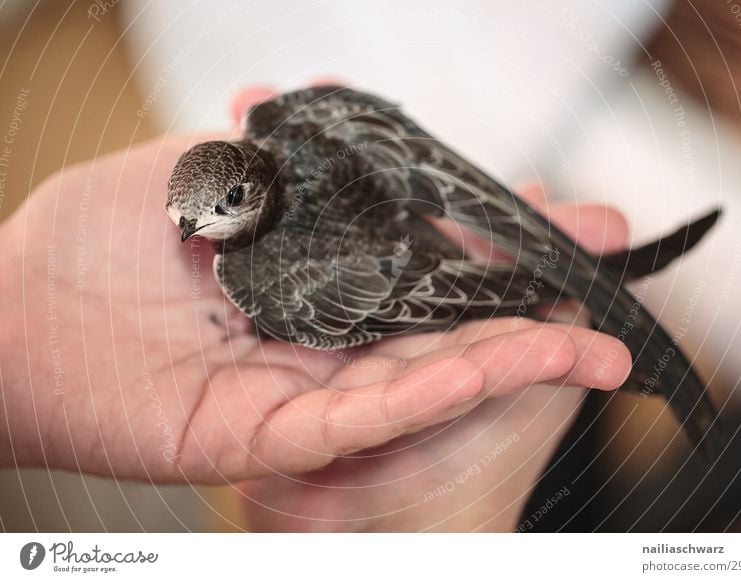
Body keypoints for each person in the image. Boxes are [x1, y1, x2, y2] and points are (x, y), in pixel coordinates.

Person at [0, 87, 632, 531]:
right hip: (397, 259)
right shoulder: (250, 262)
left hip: (402, 252)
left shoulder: (283, 164)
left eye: (219, 208)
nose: (190, 228)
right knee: (551, 313)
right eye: (185, 214)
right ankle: (568, 281)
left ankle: (567, 280)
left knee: (546, 313)